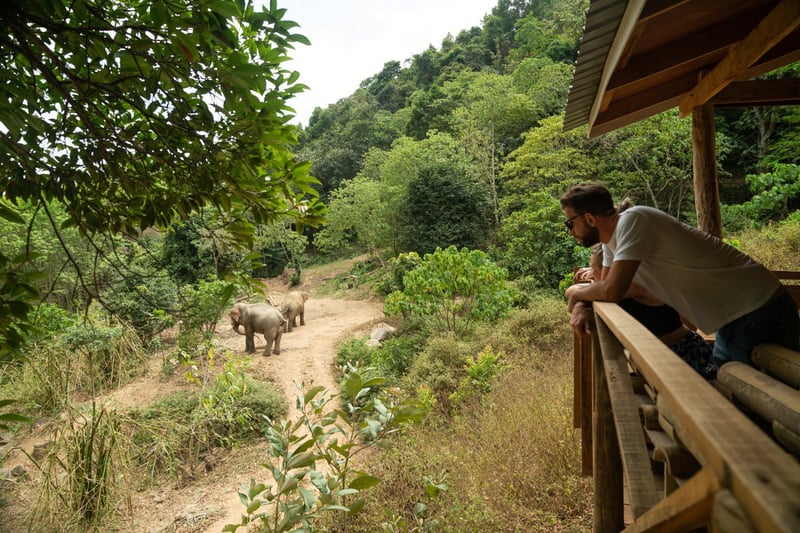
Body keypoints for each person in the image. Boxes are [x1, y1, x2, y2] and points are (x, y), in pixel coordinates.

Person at [560, 182, 800, 368]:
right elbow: (604, 287)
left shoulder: (634, 221)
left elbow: (612, 291)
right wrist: (581, 301)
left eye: (569, 224)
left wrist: (576, 295)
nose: (570, 232)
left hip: (757, 308)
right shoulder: (612, 242)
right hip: (734, 316)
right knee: (735, 388)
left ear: (590, 218)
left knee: (753, 395)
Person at [566, 244, 717, 381]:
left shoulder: (636, 284)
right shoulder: (627, 284)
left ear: (612, 269)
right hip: (663, 355)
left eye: (595, 268)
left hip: (683, 355)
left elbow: (576, 291)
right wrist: (594, 278)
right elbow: (572, 291)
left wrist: (583, 295)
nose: (592, 273)